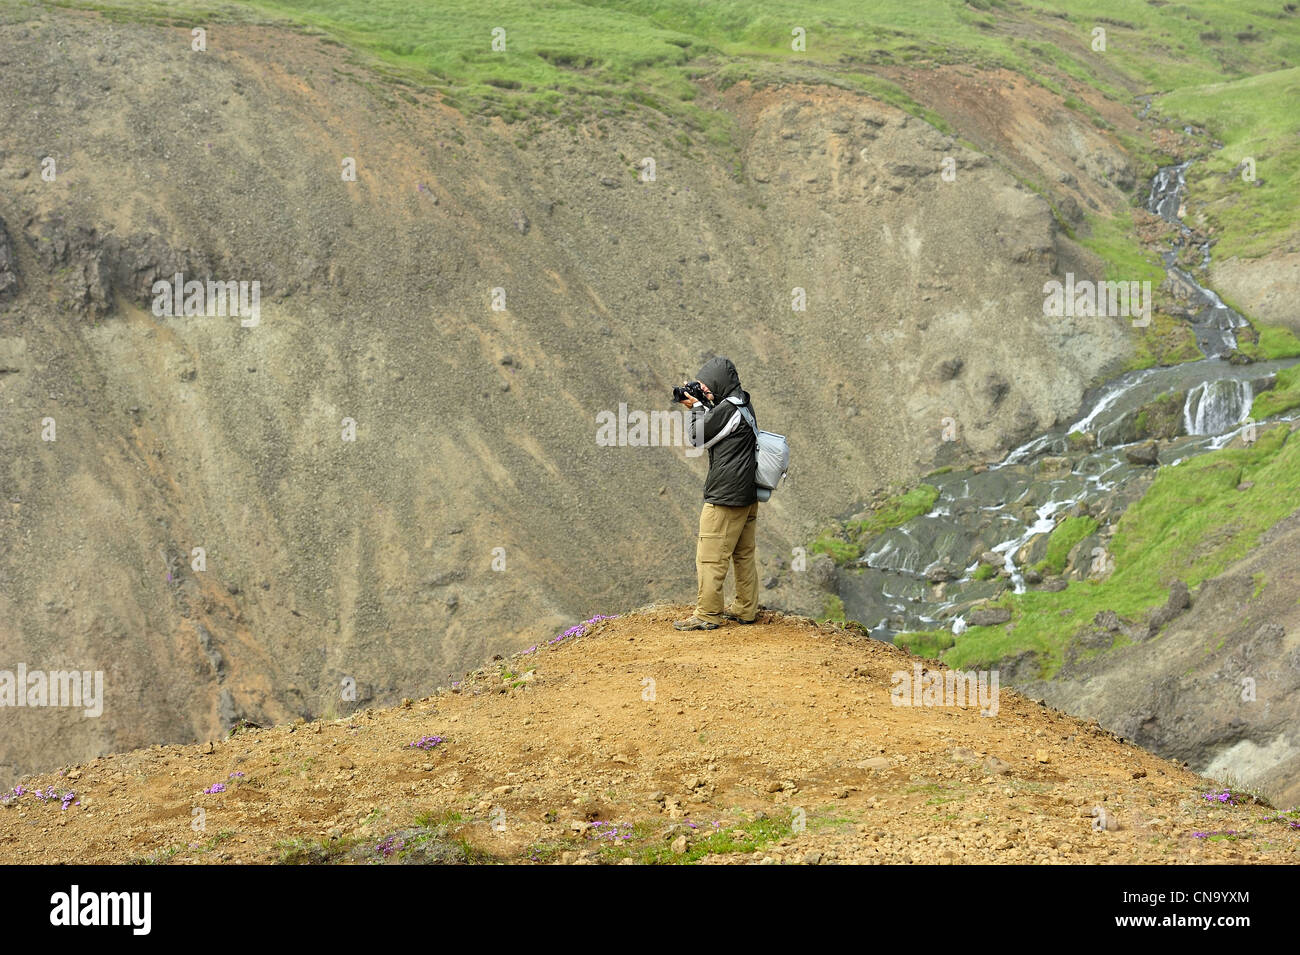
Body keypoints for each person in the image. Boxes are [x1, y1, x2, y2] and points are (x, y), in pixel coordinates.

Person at [673, 356, 760, 631]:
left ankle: (707, 614)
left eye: (706, 386)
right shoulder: (742, 402)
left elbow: (698, 437)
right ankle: (746, 608)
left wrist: (696, 408)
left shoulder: (727, 410)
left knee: (710, 554)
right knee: (742, 553)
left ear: (719, 384)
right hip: (747, 494)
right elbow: (721, 424)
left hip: (725, 498)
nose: (705, 391)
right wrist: (706, 403)